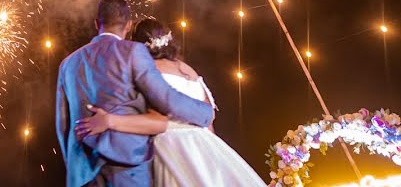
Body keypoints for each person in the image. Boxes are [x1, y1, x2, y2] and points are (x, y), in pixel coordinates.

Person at [75, 18, 265, 186]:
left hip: (169, 146)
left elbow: (154, 119)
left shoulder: (146, 71)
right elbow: (209, 118)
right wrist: (213, 154)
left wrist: (109, 120)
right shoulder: (187, 69)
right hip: (203, 143)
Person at [56, 0, 215, 187]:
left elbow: (63, 125)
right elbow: (167, 98)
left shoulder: (68, 63)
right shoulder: (133, 52)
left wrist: (75, 167)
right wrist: (205, 112)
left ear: (97, 23)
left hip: (83, 171)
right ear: (129, 25)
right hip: (127, 167)